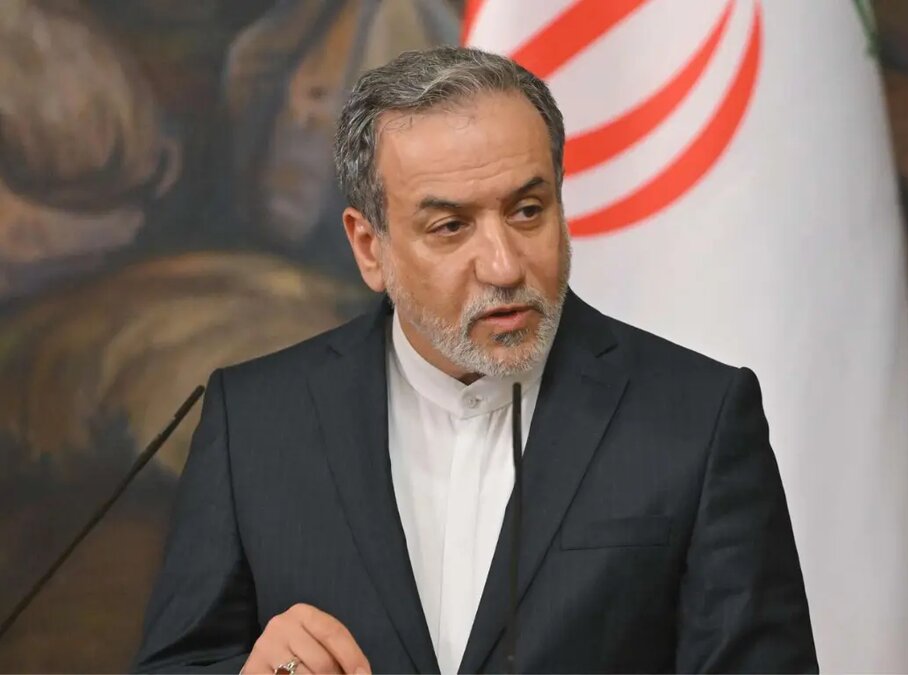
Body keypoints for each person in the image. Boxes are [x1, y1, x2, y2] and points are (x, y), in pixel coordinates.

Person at [133, 46, 817, 674]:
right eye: (451, 226)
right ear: (370, 247)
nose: (503, 264)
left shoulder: (698, 417)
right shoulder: (256, 421)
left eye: (527, 211)